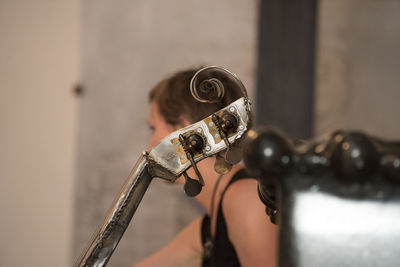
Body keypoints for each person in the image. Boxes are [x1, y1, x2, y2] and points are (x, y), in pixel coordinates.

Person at [135, 67, 277, 267]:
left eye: (154, 128)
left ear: (181, 129)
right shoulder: (209, 227)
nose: (150, 145)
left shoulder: (246, 201)